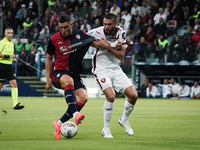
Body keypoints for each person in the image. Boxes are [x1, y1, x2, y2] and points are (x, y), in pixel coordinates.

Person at [45, 14, 100, 139]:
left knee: (83, 98)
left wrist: (114, 45)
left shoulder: (80, 36)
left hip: (74, 74)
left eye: (65, 27)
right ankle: (75, 114)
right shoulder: (53, 39)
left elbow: (97, 44)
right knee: (68, 81)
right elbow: (48, 58)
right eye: (60, 28)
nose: (63, 30)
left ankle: (58, 123)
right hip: (58, 73)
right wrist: (48, 79)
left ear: (71, 25)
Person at [88, 13, 138, 138]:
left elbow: (121, 56)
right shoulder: (96, 32)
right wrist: (96, 44)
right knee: (111, 96)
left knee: (133, 95)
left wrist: (107, 46)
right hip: (101, 69)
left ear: (116, 23)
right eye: (104, 24)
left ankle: (124, 119)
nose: (106, 26)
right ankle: (106, 128)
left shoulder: (121, 33)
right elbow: (84, 39)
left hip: (116, 68)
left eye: (109, 24)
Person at [0, 27, 24, 110]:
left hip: (9, 67)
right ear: (5, 34)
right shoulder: (2, 42)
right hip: (1, 66)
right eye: (9, 33)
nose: (10, 34)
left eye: (12, 33)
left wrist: (13, 59)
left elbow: (11, 55)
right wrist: (8, 56)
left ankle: (15, 104)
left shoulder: (12, 44)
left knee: (14, 84)